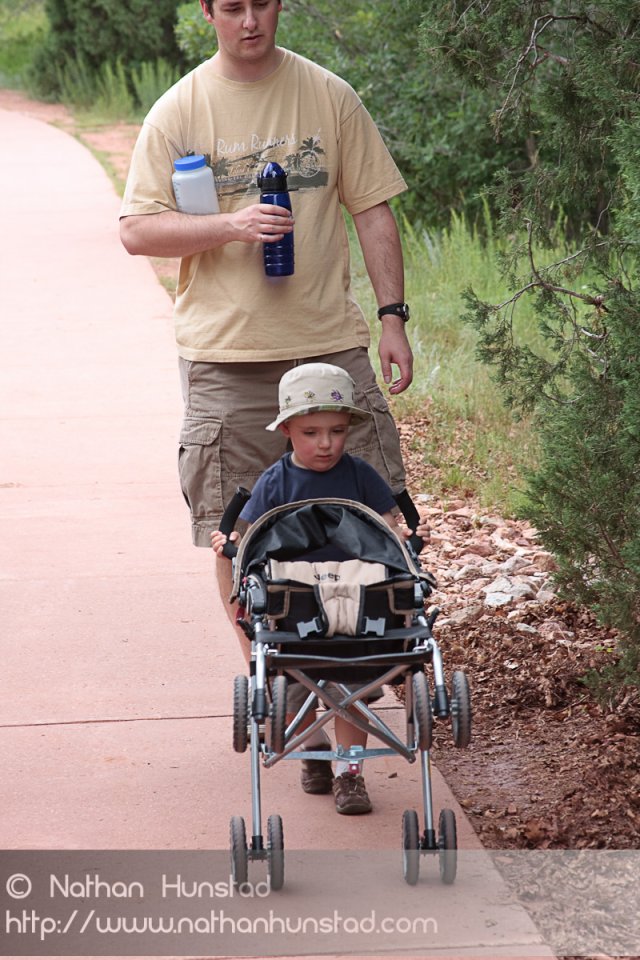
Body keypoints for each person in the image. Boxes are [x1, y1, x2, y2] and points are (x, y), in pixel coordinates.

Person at [119, 0, 414, 576]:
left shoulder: (330, 95)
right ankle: (266, 668)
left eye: (262, 5)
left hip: (329, 343)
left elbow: (373, 210)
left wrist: (392, 318)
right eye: (232, 8)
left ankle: (374, 660)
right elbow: (136, 231)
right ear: (207, 12)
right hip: (228, 358)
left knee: (377, 519)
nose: (249, 20)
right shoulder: (178, 109)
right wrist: (231, 224)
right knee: (238, 535)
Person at [212, 363, 430, 816]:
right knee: (297, 686)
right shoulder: (277, 480)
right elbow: (250, 536)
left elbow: (388, 526)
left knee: (346, 690)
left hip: (357, 603)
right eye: (311, 432)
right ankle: (314, 753)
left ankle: (350, 772)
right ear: (287, 429)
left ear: (348, 428)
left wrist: (401, 535)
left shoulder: (360, 475)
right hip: (296, 606)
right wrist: (229, 542)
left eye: (335, 430)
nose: (325, 443)